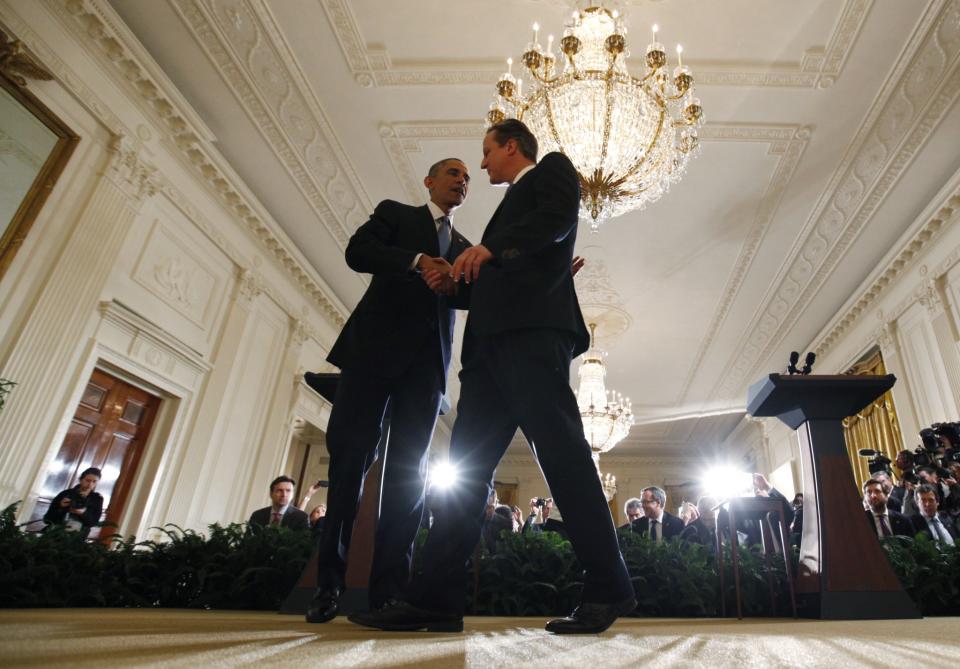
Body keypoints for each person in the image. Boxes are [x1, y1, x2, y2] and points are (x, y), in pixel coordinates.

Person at [350, 119, 635, 635]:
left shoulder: (552, 169)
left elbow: (553, 218)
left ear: (511, 146)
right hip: (486, 356)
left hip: (531, 342)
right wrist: (449, 281)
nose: (481, 164)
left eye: (486, 152)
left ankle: (609, 587)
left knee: (565, 458)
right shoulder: (504, 224)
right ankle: (434, 599)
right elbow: (499, 274)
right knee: (465, 472)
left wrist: (489, 251)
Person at [303, 158, 473, 624]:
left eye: (467, 179)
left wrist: (542, 280)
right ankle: (328, 587)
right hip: (371, 358)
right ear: (430, 181)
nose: (462, 181)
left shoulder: (464, 248)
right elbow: (358, 252)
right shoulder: (397, 214)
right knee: (350, 465)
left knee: (408, 479)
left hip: (425, 374)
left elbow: (477, 297)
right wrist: (417, 262)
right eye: (454, 173)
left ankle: (388, 594)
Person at [43, 467, 104, 538]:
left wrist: (83, 513)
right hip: (54, 534)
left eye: (94, 481)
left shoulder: (97, 499)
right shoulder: (65, 494)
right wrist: (61, 507)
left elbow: (93, 523)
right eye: (87, 480)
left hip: (76, 538)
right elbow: (47, 519)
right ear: (81, 480)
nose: (90, 484)